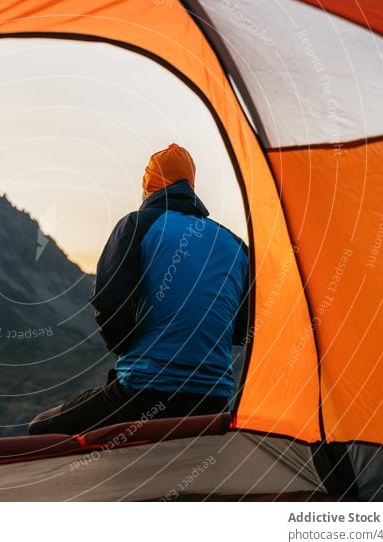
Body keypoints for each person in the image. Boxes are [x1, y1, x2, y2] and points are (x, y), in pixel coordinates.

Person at [28, 143, 249, 436]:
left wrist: (129, 349)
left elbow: (109, 303)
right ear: (191, 186)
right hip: (215, 400)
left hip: (144, 392)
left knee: (41, 427)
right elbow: (243, 328)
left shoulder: (136, 225)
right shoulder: (234, 244)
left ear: (149, 186)